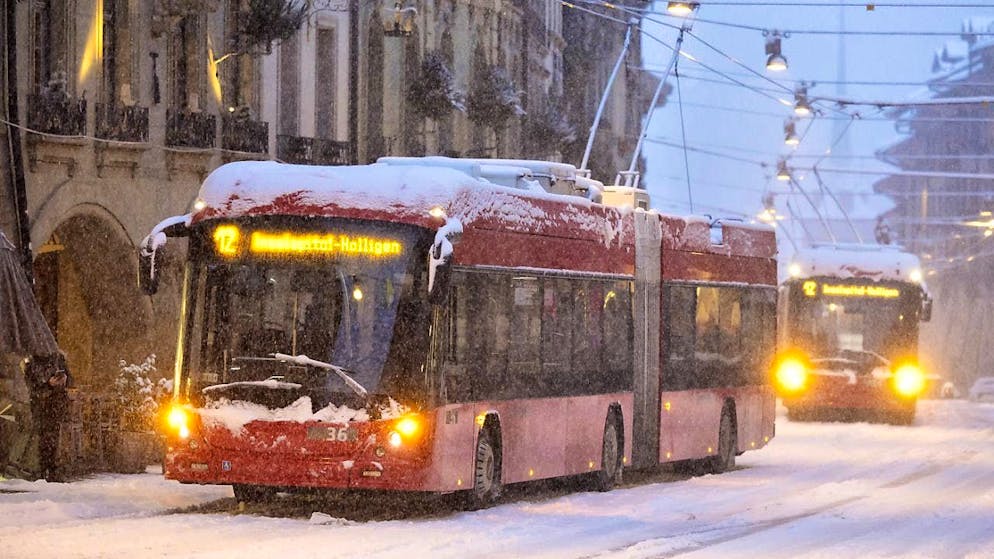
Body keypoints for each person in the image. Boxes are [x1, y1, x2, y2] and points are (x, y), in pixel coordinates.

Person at [25, 352, 72, 481]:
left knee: (52, 436)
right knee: (43, 436)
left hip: (55, 404)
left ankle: (50, 468)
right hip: (41, 405)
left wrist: (64, 380)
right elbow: (32, 387)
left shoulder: (58, 359)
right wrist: (48, 384)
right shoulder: (32, 363)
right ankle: (43, 468)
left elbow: (70, 379)